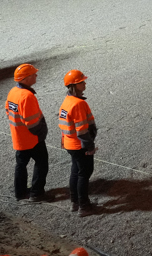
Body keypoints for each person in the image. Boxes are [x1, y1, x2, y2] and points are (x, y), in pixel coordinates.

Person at [7, 64, 48, 201]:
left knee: (20, 164)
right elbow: (32, 124)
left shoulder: (13, 92)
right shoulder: (27, 96)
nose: (36, 75)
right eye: (33, 74)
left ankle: (20, 192)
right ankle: (36, 193)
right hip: (31, 139)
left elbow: (8, 111)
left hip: (18, 137)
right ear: (26, 78)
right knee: (42, 163)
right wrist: (41, 133)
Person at [59, 69, 98, 215]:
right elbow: (82, 130)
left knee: (75, 172)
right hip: (79, 145)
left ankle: (74, 202)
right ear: (75, 85)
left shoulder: (67, 101)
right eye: (82, 81)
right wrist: (89, 146)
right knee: (84, 173)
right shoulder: (78, 104)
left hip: (70, 144)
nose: (85, 83)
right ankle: (84, 206)